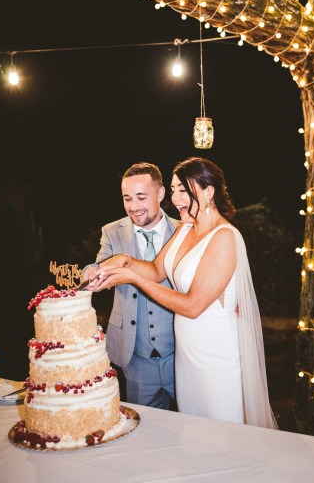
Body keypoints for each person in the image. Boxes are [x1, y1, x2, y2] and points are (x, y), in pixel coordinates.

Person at [86, 157, 277, 429]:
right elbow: (154, 269)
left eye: (183, 190)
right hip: (187, 356)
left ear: (208, 192)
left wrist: (132, 278)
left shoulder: (225, 237)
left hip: (214, 354)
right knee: (194, 432)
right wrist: (124, 260)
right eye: (173, 190)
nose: (175, 198)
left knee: (220, 434)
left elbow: (193, 305)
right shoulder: (187, 227)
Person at [82, 162, 179, 410]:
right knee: (143, 430)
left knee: (191, 428)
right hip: (135, 357)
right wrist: (91, 272)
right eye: (127, 198)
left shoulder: (183, 231)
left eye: (141, 197)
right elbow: (97, 264)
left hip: (180, 354)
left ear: (160, 194)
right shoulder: (112, 231)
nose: (133, 207)